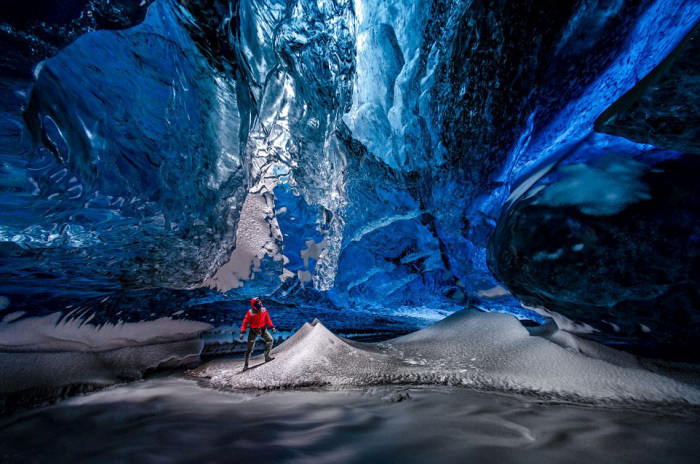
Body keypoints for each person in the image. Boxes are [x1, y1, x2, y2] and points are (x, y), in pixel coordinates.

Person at [239, 296, 277, 371]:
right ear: (254, 304)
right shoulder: (250, 312)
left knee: (270, 340)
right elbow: (245, 322)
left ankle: (267, 357)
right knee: (250, 348)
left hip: (263, 329)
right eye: (258, 302)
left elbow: (268, 319)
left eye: (260, 301)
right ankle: (246, 365)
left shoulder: (264, 309)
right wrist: (242, 332)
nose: (259, 303)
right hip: (253, 330)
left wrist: (272, 327)